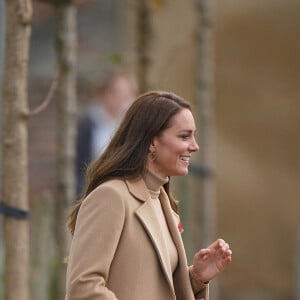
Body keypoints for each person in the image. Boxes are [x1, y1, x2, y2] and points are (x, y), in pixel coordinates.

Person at [66, 91, 232, 300]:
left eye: (194, 135)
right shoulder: (111, 197)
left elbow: (153, 289)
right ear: (152, 141)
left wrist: (196, 278)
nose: (194, 146)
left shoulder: (163, 203)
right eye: (184, 136)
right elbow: (83, 289)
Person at [75, 69, 137, 196]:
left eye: (126, 94)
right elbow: (79, 163)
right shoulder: (88, 123)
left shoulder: (134, 122)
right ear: (103, 94)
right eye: (116, 92)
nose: (120, 99)